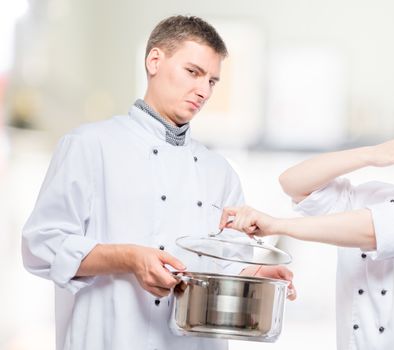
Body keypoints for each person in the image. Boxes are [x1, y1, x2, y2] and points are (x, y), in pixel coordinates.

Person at [22, 15, 294, 350]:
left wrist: (252, 277)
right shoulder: (90, 146)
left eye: (212, 81)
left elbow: (222, 266)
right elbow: (41, 245)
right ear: (154, 61)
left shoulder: (219, 171)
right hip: (111, 338)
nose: (203, 90)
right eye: (193, 72)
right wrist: (128, 258)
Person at [220, 69, 394, 350]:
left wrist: (277, 224)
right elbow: (293, 183)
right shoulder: (377, 196)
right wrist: (370, 154)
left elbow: (372, 230)